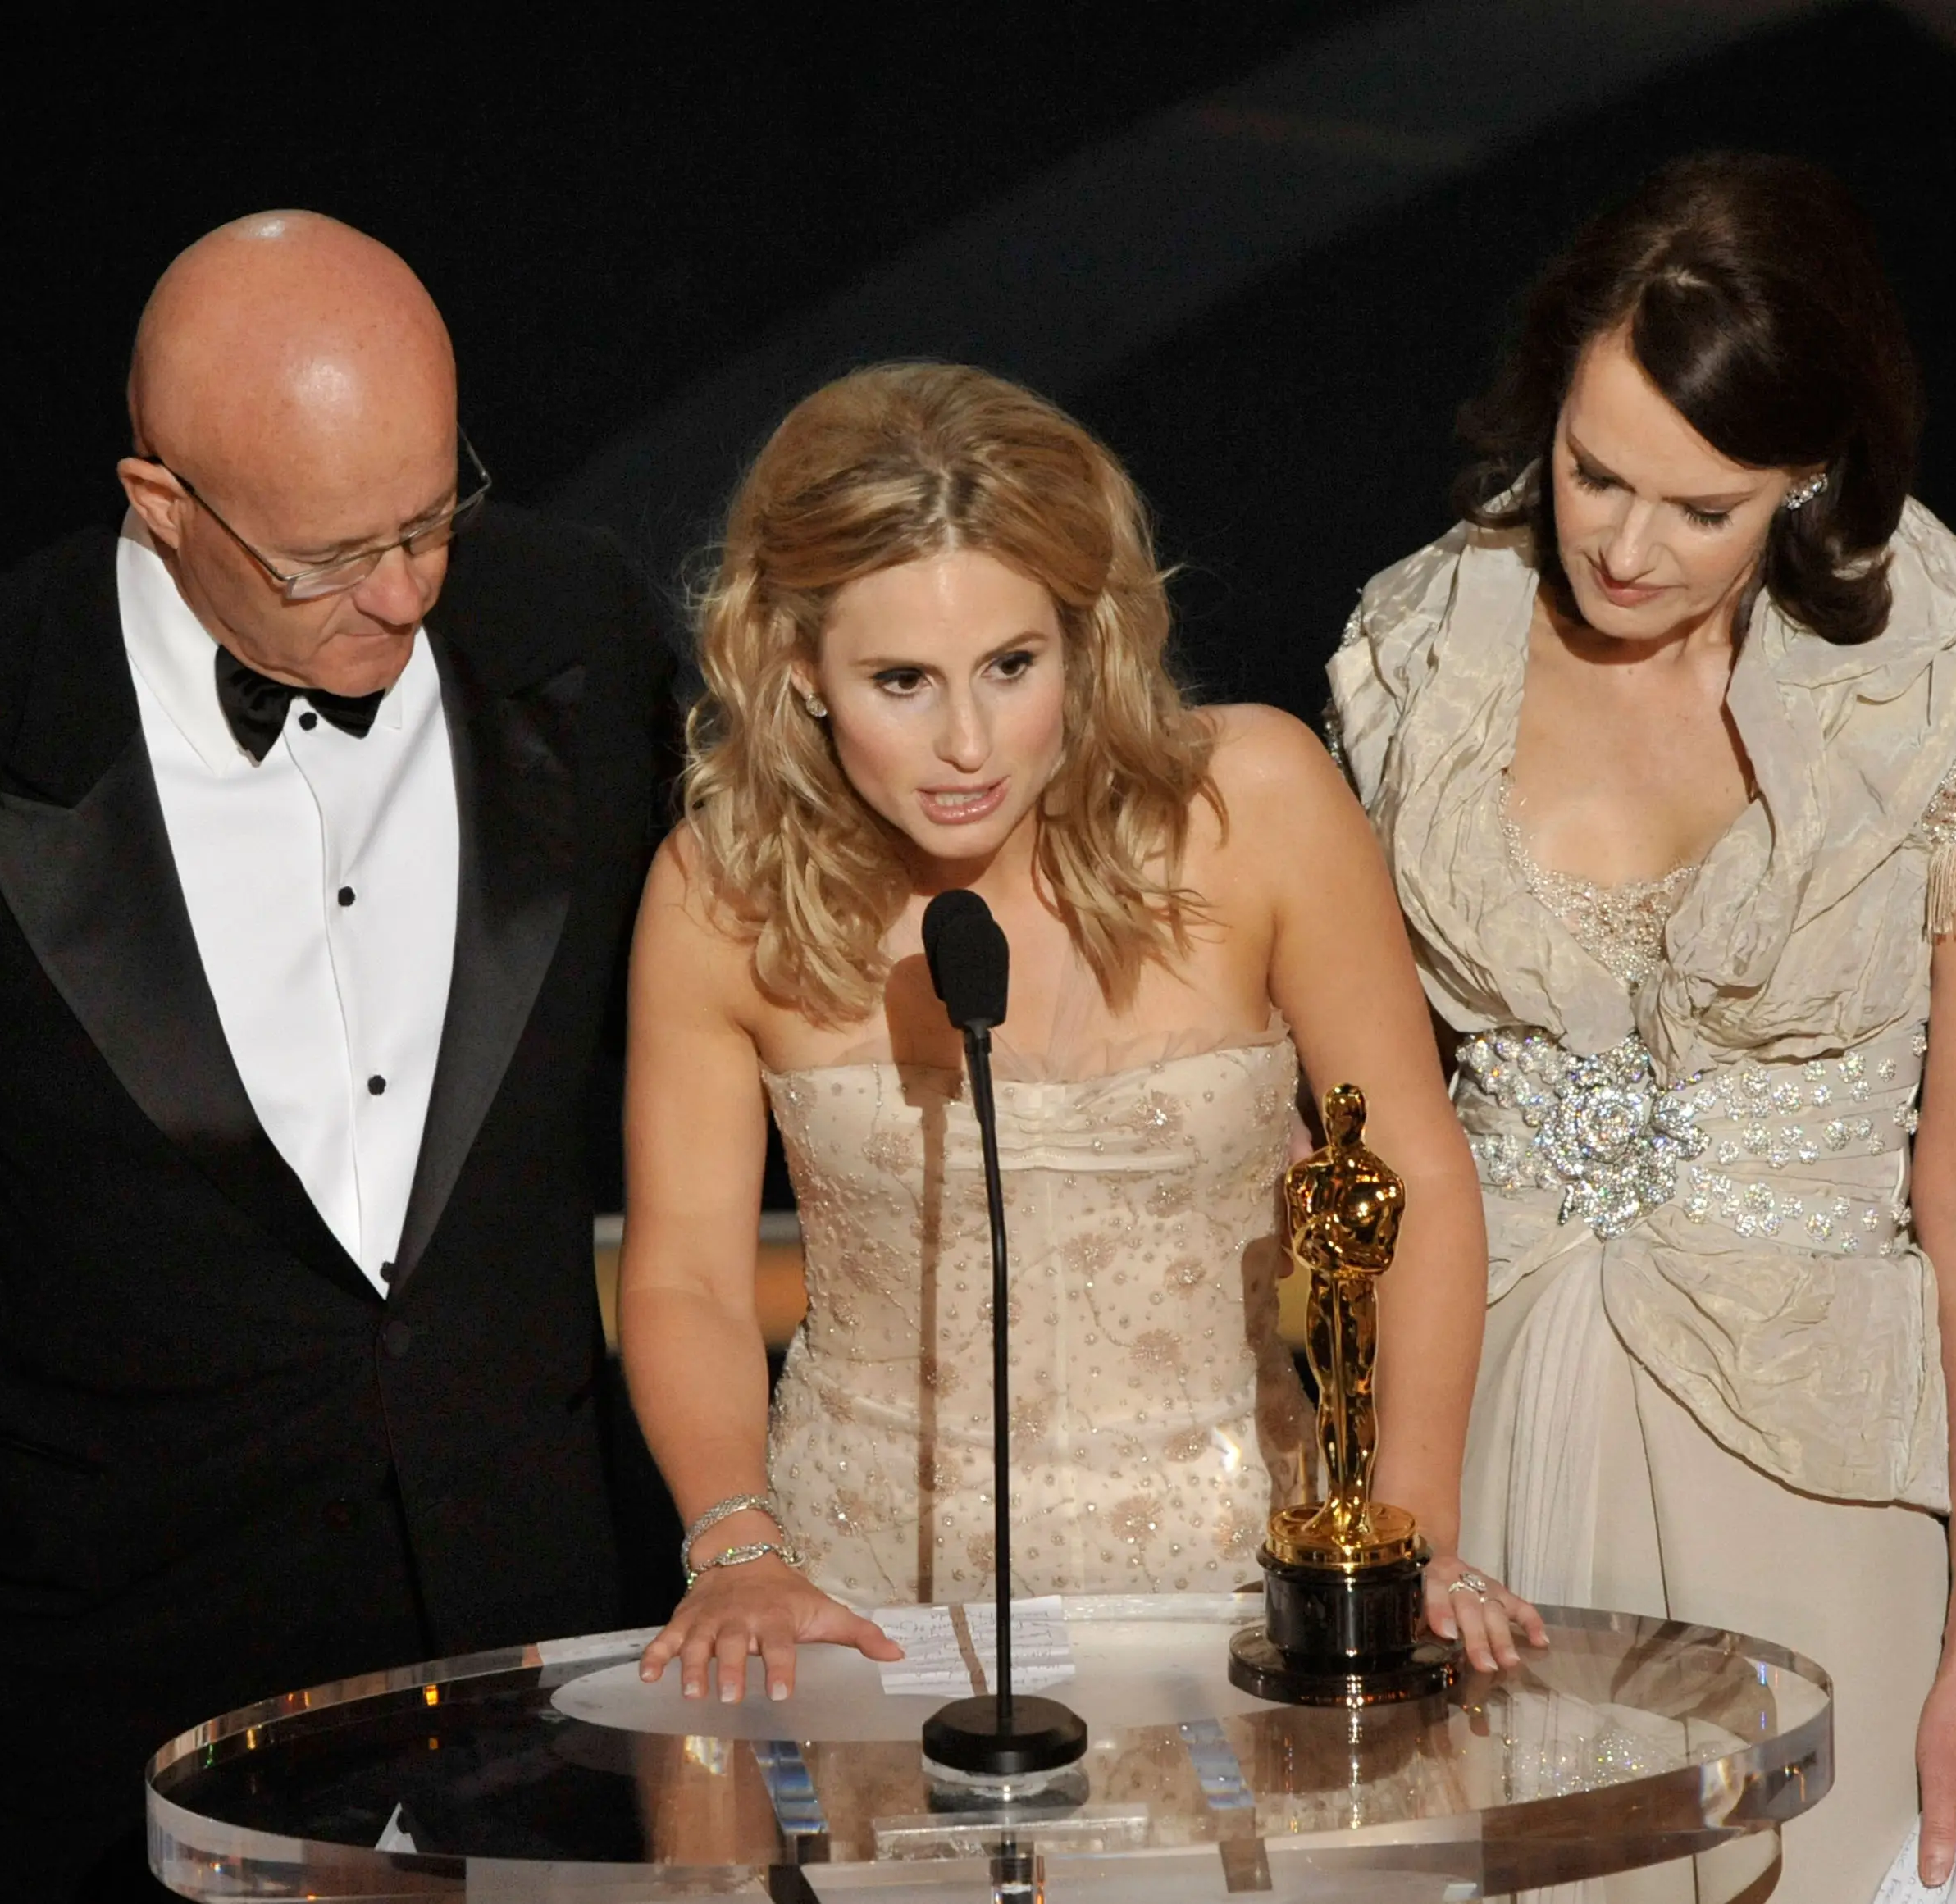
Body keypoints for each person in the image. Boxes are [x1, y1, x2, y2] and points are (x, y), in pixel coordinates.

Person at [0, 212, 671, 1899]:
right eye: (330, 557)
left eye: (435, 516)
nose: (408, 590)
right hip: (95, 1728)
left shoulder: (582, 630)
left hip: (551, 1690)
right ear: (161, 502)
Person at [1329, 153, 1956, 1895]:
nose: (1619, 543)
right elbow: (1356, 1127)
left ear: (1812, 480)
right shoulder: (1418, 642)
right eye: (1594, 471)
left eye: (1703, 508)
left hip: (1809, 1465)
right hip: (1486, 1452)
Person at [618, 362, 1539, 1707]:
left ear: (1084, 636)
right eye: (900, 680)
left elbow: (1413, 1174)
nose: (968, 742)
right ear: (798, 667)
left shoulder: (1257, 802)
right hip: (868, 1598)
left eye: (1011, 664)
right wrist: (736, 1543)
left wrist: (1410, 1534)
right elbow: (689, 1277)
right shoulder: (722, 888)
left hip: (1234, 1582)